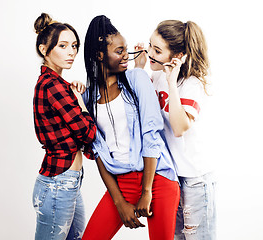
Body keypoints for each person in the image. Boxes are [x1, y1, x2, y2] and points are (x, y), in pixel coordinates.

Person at [80, 15, 180, 240]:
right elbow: (97, 151)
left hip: (157, 179)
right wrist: (119, 202)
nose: (126, 55)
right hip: (121, 182)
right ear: (99, 55)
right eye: (119, 51)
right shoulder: (88, 97)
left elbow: (151, 133)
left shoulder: (136, 79)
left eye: (126, 49)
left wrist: (147, 191)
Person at [134, 20, 216, 239]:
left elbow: (179, 128)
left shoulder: (192, 84)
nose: (149, 52)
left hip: (194, 179)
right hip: (171, 176)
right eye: (150, 45)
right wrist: (139, 70)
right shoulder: (156, 74)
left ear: (177, 56)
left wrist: (171, 83)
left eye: (157, 50)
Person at [32, 13, 96, 240]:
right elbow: (88, 133)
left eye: (74, 46)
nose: (72, 52)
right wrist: (79, 101)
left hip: (67, 180)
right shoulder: (52, 86)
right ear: (44, 49)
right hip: (59, 182)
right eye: (63, 45)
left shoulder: (58, 84)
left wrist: (75, 92)